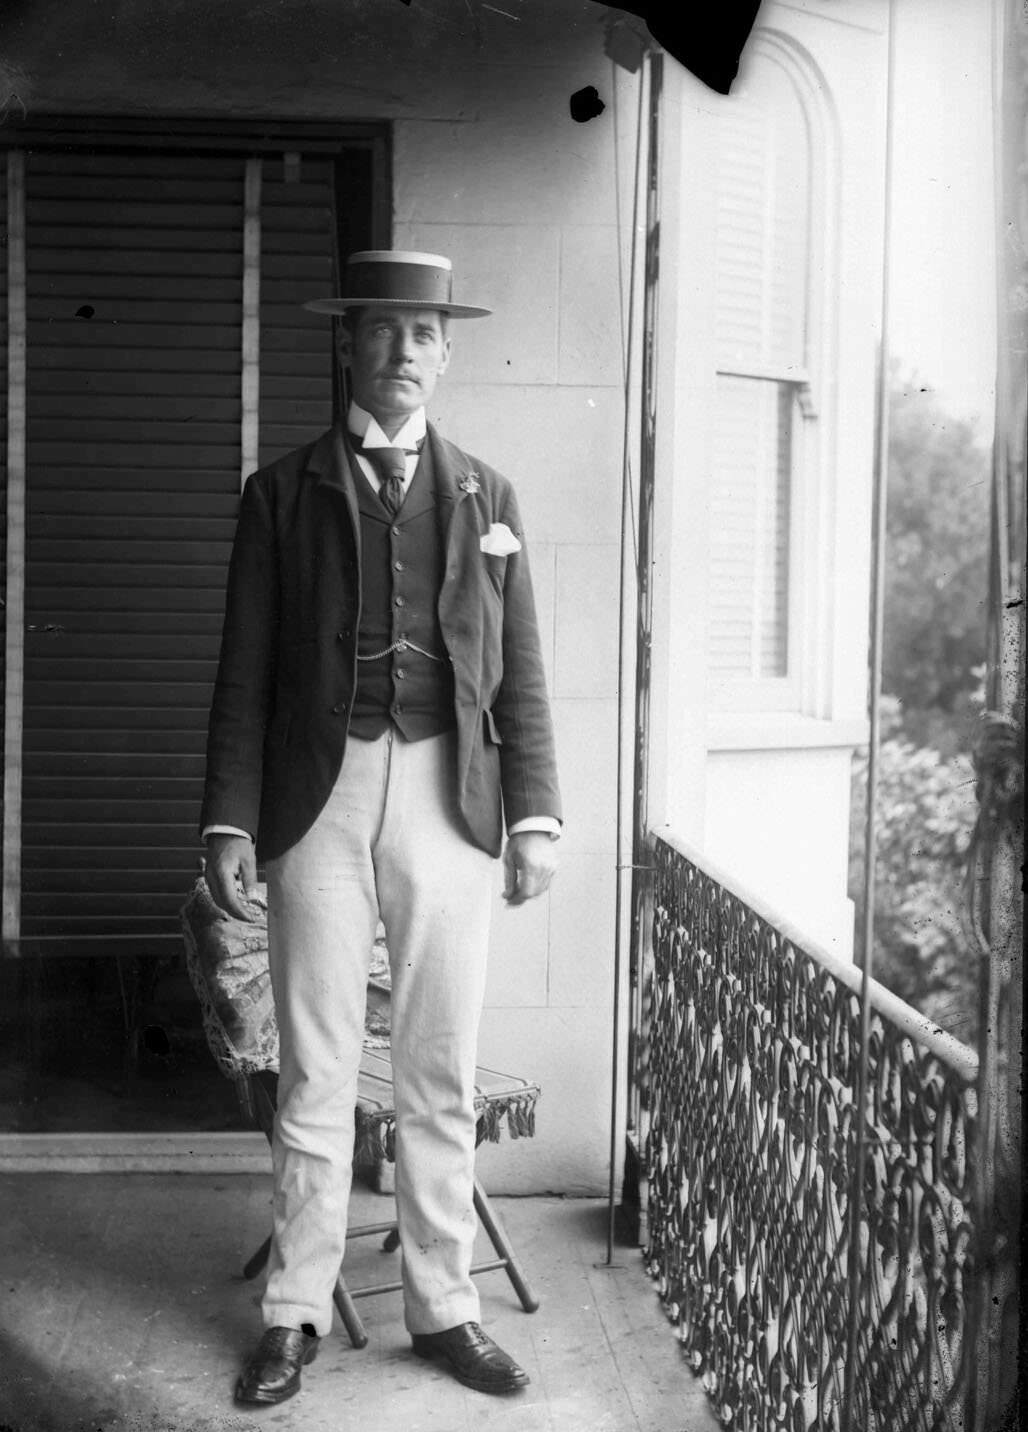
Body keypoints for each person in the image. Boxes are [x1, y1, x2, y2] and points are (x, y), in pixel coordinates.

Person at [200, 249, 562, 1406]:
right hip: (318, 793)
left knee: (436, 1066)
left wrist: (536, 817)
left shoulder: (487, 497)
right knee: (313, 1066)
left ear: (445, 353)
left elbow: (522, 678)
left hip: (452, 800)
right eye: (381, 331)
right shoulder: (280, 492)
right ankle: (294, 1311)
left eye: (423, 334)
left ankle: (443, 1306)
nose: (403, 353)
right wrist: (229, 819)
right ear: (345, 345)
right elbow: (242, 673)